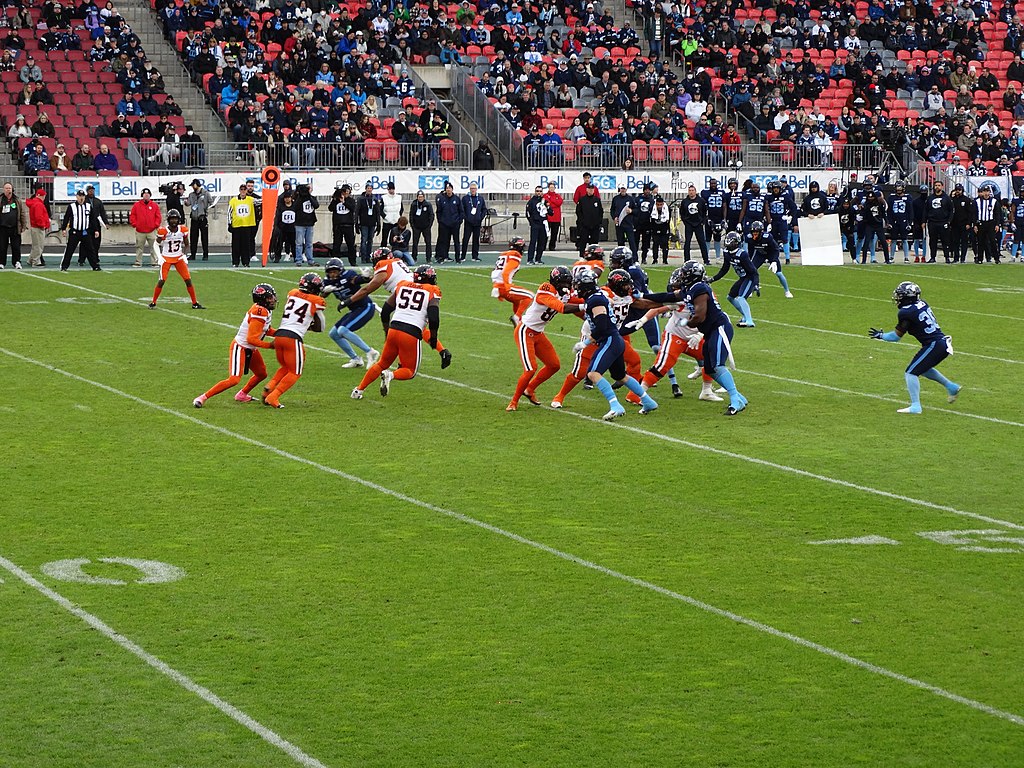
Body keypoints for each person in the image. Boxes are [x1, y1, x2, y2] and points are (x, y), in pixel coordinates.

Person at [647, 261, 747, 415]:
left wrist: (685, 322)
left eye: (685, 274)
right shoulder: (689, 289)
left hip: (719, 328)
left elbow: (700, 316)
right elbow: (667, 296)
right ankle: (739, 397)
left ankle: (735, 400)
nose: (682, 276)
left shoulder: (700, 289)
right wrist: (643, 296)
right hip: (710, 331)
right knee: (710, 369)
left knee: (717, 365)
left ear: (692, 276)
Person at [350, 265, 452, 400]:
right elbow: (434, 318)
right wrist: (434, 338)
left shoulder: (402, 285)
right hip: (411, 333)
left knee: (381, 364)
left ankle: (358, 390)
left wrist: (387, 331)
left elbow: (386, 311)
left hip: (394, 328)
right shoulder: (432, 290)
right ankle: (390, 375)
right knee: (409, 371)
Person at [571, 269, 658, 420]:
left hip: (609, 340)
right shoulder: (598, 296)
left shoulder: (595, 300)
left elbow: (602, 326)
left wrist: (585, 342)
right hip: (615, 339)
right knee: (620, 375)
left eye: (578, 286)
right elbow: (609, 304)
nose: (576, 289)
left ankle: (615, 406)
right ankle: (647, 401)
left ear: (585, 286)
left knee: (592, 373)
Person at [869, 281, 961, 414]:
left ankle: (916, 406)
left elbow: (896, 337)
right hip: (940, 343)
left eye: (900, 296)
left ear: (907, 297)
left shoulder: (906, 313)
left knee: (911, 372)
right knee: (923, 369)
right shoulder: (922, 303)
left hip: (934, 345)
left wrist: (881, 336)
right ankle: (951, 387)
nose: (898, 298)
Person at [506, 266, 582, 411]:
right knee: (530, 369)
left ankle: (529, 389)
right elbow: (562, 308)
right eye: (563, 283)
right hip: (525, 330)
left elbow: (576, 301)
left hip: (538, 333)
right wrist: (585, 305)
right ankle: (513, 402)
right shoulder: (545, 289)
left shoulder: (564, 293)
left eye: (568, 283)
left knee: (554, 365)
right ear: (555, 282)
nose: (566, 286)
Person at [194, 283, 277, 408]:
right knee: (234, 379)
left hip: (251, 348)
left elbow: (265, 329)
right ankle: (203, 397)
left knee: (261, 374)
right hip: (241, 347)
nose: (273, 300)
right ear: (262, 299)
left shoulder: (264, 310)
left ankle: (242, 395)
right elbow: (251, 339)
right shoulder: (259, 311)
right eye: (269, 297)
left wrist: (282, 334)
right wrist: (270, 345)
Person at [262, 272, 326, 409]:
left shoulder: (292, 293)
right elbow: (321, 327)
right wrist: (310, 325)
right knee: (295, 372)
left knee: (286, 367)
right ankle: (273, 397)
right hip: (293, 338)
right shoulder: (316, 301)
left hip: (279, 335)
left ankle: (269, 387)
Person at [321, 257, 380, 369]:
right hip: (354, 310)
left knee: (343, 330)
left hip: (365, 307)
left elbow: (358, 280)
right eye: (331, 272)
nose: (333, 274)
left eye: (335, 271)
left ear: (341, 271)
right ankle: (356, 359)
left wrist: (366, 277)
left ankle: (370, 352)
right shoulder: (328, 281)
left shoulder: (347, 276)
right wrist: (324, 291)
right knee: (334, 334)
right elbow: (322, 295)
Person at [149, 210, 204, 310]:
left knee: (188, 280)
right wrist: (159, 256)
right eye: (172, 219)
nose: (174, 221)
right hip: (166, 257)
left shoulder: (183, 230)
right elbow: (155, 244)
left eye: (175, 219)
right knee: (162, 280)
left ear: (179, 219)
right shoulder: (163, 231)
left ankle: (195, 303)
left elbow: (187, 244)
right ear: (168, 220)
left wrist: (184, 255)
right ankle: (153, 302)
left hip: (178, 257)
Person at [708, 231, 759, 328]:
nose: (728, 243)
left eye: (730, 241)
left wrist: (756, 284)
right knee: (730, 297)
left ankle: (749, 320)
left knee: (741, 297)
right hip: (743, 278)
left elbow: (753, 271)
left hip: (749, 278)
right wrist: (713, 279)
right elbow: (724, 269)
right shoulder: (727, 253)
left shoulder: (742, 254)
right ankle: (745, 316)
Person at [746, 221, 793, 301]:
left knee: (778, 273)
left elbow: (776, 249)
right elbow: (751, 249)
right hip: (760, 253)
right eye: (753, 232)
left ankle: (787, 291)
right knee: (751, 271)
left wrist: (774, 261)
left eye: (756, 232)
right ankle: (750, 289)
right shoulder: (749, 238)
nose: (755, 234)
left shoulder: (767, 237)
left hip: (771, 253)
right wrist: (750, 259)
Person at [491, 236, 534, 321]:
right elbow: (505, 272)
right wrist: (507, 287)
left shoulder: (504, 255)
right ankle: (517, 317)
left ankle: (519, 320)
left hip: (497, 286)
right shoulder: (515, 256)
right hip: (503, 286)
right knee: (530, 296)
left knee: (516, 300)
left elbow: (496, 272)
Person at [59, 190, 99, 271]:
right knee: (70, 250)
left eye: (83, 196)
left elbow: (92, 219)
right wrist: (63, 229)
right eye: (80, 196)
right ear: (76, 197)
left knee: (90, 249)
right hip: (75, 232)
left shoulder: (88, 206)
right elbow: (66, 218)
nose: (81, 198)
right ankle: (64, 266)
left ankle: (95, 266)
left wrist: (96, 230)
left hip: (85, 232)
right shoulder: (72, 206)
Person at [227, 184, 258, 267]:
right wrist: (229, 223)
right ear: (239, 190)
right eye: (242, 189)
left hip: (247, 225)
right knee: (236, 246)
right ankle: (235, 262)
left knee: (246, 245)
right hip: (236, 226)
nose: (243, 191)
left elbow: (260, 201)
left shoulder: (250, 199)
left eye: (245, 189)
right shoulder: (233, 200)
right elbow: (229, 212)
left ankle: (246, 262)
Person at [129, 189, 161, 268]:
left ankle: (155, 262)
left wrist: (155, 225)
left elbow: (158, 216)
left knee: (154, 247)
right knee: (139, 247)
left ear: (150, 195)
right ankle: (138, 262)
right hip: (140, 231)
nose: (146, 195)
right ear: (142, 195)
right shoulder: (136, 205)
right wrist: (135, 224)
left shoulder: (154, 205)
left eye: (148, 194)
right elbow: (132, 215)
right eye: (144, 194)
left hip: (151, 230)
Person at [973, 185, 1003, 264]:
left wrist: (997, 224)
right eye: (984, 191)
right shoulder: (977, 201)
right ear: (982, 192)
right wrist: (975, 225)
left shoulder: (994, 201)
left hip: (990, 223)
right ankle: (980, 258)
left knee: (993, 241)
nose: (986, 193)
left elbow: (997, 214)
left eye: (987, 191)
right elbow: (974, 214)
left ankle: (996, 258)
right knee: (980, 241)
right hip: (981, 223)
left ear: (990, 192)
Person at [0, 182, 27, 270]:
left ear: (12, 189)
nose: (8, 190)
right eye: (6, 188)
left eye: (10, 188)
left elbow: (22, 213)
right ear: (4, 190)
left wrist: (23, 225)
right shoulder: (1, 200)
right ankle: (1, 262)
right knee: (2, 246)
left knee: (16, 246)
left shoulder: (17, 200)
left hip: (15, 227)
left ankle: (17, 262)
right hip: (2, 227)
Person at [924, 181, 952, 264]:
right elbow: (926, 210)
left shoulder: (947, 198)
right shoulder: (930, 198)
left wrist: (949, 221)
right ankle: (933, 257)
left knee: (945, 241)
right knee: (933, 241)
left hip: (943, 222)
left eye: (939, 185)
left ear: (942, 187)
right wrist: (924, 221)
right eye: (935, 185)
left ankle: (947, 257)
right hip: (932, 222)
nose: (937, 187)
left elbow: (951, 211)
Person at [434, 181, 462, 263]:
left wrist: (459, 221)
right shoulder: (442, 199)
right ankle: (443, 257)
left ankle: (458, 258)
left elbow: (461, 211)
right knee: (444, 241)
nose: (448, 190)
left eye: (449, 188)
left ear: (452, 189)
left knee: (456, 241)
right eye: (447, 188)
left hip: (455, 224)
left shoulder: (457, 199)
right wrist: (441, 221)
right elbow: (438, 211)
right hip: (445, 225)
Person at [887, 180, 914, 264]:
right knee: (893, 239)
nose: (898, 190)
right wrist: (889, 222)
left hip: (904, 221)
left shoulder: (908, 197)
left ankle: (906, 257)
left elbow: (910, 210)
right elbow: (889, 211)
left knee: (904, 239)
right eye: (897, 188)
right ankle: (891, 256)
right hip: (894, 221)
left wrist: (910, 222)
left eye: (900, 188)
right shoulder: (891, 197)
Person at [330, 184, 357, 266]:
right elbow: (330, 208)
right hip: (338, 226)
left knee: (350, 244)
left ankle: (352, 261)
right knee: (337, 244)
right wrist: (335, 199)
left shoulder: (351, 200)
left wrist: (344, 202)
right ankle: (335, 261)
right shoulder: (336, 201)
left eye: (347, 192)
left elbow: (353, 208)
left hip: (348, 225)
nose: (346, 193)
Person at [186, 178, 213, 261]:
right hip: (194, 218)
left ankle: (205, 254)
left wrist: (211, 206)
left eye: (193, 185)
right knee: (193, 237)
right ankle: (193, 254)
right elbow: (188, 203)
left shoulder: (206, 193)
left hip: (202, 218)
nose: (192, 187)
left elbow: (211, 202)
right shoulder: (191, 195)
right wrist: (185, 202)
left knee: (204, 237)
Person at [293, 183, 319, 267]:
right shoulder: (298, 198)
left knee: (309, 243)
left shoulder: (312, 198)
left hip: (309, 223)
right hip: (300, 223)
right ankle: (298, 260)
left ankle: (310, 260)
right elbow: (295, 207)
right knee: (299, 243)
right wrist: (300, 196)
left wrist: (309, 196)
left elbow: (316, 205)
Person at [356, 182, 382, 264]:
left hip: (372, 223)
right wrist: (356, 224)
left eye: (370, 188)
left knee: (370, 240)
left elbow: (378, 212)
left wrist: (378, 224)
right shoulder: (361, 199)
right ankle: (363, 257)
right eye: (368, 188)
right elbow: (357, 212)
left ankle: (368, 256)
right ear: (366, 189)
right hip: (363, 223)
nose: (369, 190)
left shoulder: (374, 199)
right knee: (364, 240)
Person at [701, 179, 727, 261]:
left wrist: (724, 219)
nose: (713, 185)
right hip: (709, 218)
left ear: (717, 184)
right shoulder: (705, 192)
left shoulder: (722, 192)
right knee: (707, 238)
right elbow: (703, 206)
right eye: (711, 183)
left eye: (714, 183)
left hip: (718, 218)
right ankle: (706, 257)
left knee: (717, 238)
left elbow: (724, 206)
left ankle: (718, 257)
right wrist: (705, 217)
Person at [575, 184, 603, 258]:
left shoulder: (597, 200)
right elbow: (578, 212)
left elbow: (600, 212)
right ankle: (582, 256)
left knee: (594, 243)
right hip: (585, 226)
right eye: (589, 189)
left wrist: (599, 222)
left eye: (592, 189)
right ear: (586, 190)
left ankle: (594, 257)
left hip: (595, 226)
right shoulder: (582, 200)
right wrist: (582, 222)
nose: (591, 190)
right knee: (583, 242)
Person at [460, 182, 486, 262]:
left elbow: (484, 209)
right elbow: (462, 209)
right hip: (468, 222)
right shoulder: (465, 198)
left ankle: (475, 256)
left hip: (477, 223)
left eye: (474, 188)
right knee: (466, 239)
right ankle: (463, 256)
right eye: (471, 188)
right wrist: (466, 218)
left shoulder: (480, 198)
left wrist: (480, 217)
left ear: (476, 189)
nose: (473, 190)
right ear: (469, 189)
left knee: (476, 239)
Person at [25, 185, 49, 268]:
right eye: (44, 196)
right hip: (38, 227)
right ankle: (35, 261)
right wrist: (42, 225)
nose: (44, 197)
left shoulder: (34, 203)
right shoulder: (38, 204)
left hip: (35, 227)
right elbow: (39, 217)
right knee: (39, 246)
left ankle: (31, 259)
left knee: (36, 245)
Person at [525, 185, 549, 265]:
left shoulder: (544, 201)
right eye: (537, 191)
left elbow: (550, 212)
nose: (539, 193)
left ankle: (538, 258)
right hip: (535, 224)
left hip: (543, 224)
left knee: (542, 242)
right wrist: (532, 223)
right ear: (535, 192)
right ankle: (530, 259)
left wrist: (547, 207)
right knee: (533, 242)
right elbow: (528, 213)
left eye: (540, 191)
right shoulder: (531, 201)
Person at [273, 191, 297, 263]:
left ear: (291, 198)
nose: (287, 199)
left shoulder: (294, 206)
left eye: (288, 198)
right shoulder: (281, 207)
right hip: (283, 228)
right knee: (279, 244)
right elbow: (278, 217)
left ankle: (296, 257)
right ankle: (277, 257)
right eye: (286, 198)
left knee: (293, 244)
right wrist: (278, 226)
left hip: (292, 228)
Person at [410, 190, 434, 263]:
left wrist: (429, 225)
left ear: (424, 197)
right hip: (416, 227)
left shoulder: (428, 204)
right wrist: (412, 225)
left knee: (428, 242)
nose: (420, 198)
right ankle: (414, 258)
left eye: (421, 197)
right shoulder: (414, 204)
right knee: (415, 243)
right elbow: (411, 215)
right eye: (419, 197)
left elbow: (431, 215)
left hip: (426, 227)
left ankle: (428, 258)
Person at [610, 184, 635, 254]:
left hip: (628, 224)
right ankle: (621, 257)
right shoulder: (615, 199)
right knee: (620, 242)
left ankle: (634, 258)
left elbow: (636, 210)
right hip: (619, 224)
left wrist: (631, 211)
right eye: (621, 189)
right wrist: (614, 217)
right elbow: (612, 210)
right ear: (619, 189)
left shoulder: (631, 199)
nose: (623, 190)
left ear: (626, 189)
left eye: (624, 189)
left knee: (631, 242)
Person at [649, 196, 671, 266]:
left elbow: (668, 220)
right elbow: (651, 220)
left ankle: (665, 260)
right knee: (655, 244)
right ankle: (655, 259)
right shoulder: (652, 209)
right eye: (658, 205)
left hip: (664, 228)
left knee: (665, 244)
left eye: (660, 205)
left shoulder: (667, 209)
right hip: (655, 228)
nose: (659, 206)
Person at [380, 181, 402, 248]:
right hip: (387, 221)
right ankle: (383, 253)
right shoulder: (384, 197)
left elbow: (401, 208)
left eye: (392, 189)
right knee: (384, 239)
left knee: (396, 238)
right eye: (390, 189)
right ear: (388, 189)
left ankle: (396, 252)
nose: (391, 190)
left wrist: (398, 216)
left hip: (396, 221)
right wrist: (385, 217)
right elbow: (380, 210)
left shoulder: (399, 197)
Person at [543, 182, 563, 251]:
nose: (552, 189)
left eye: (553, 187)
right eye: (550, 187)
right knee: (545, 234)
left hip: (556, 218)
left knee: (554, 234)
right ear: (548, 188)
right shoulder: (545, 195)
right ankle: (543, 246)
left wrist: (551, 200)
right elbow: (546, 204)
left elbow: (559, 203)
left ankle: (552, 246)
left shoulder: (558, 195)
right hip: (548, 218)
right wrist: (553, 203)